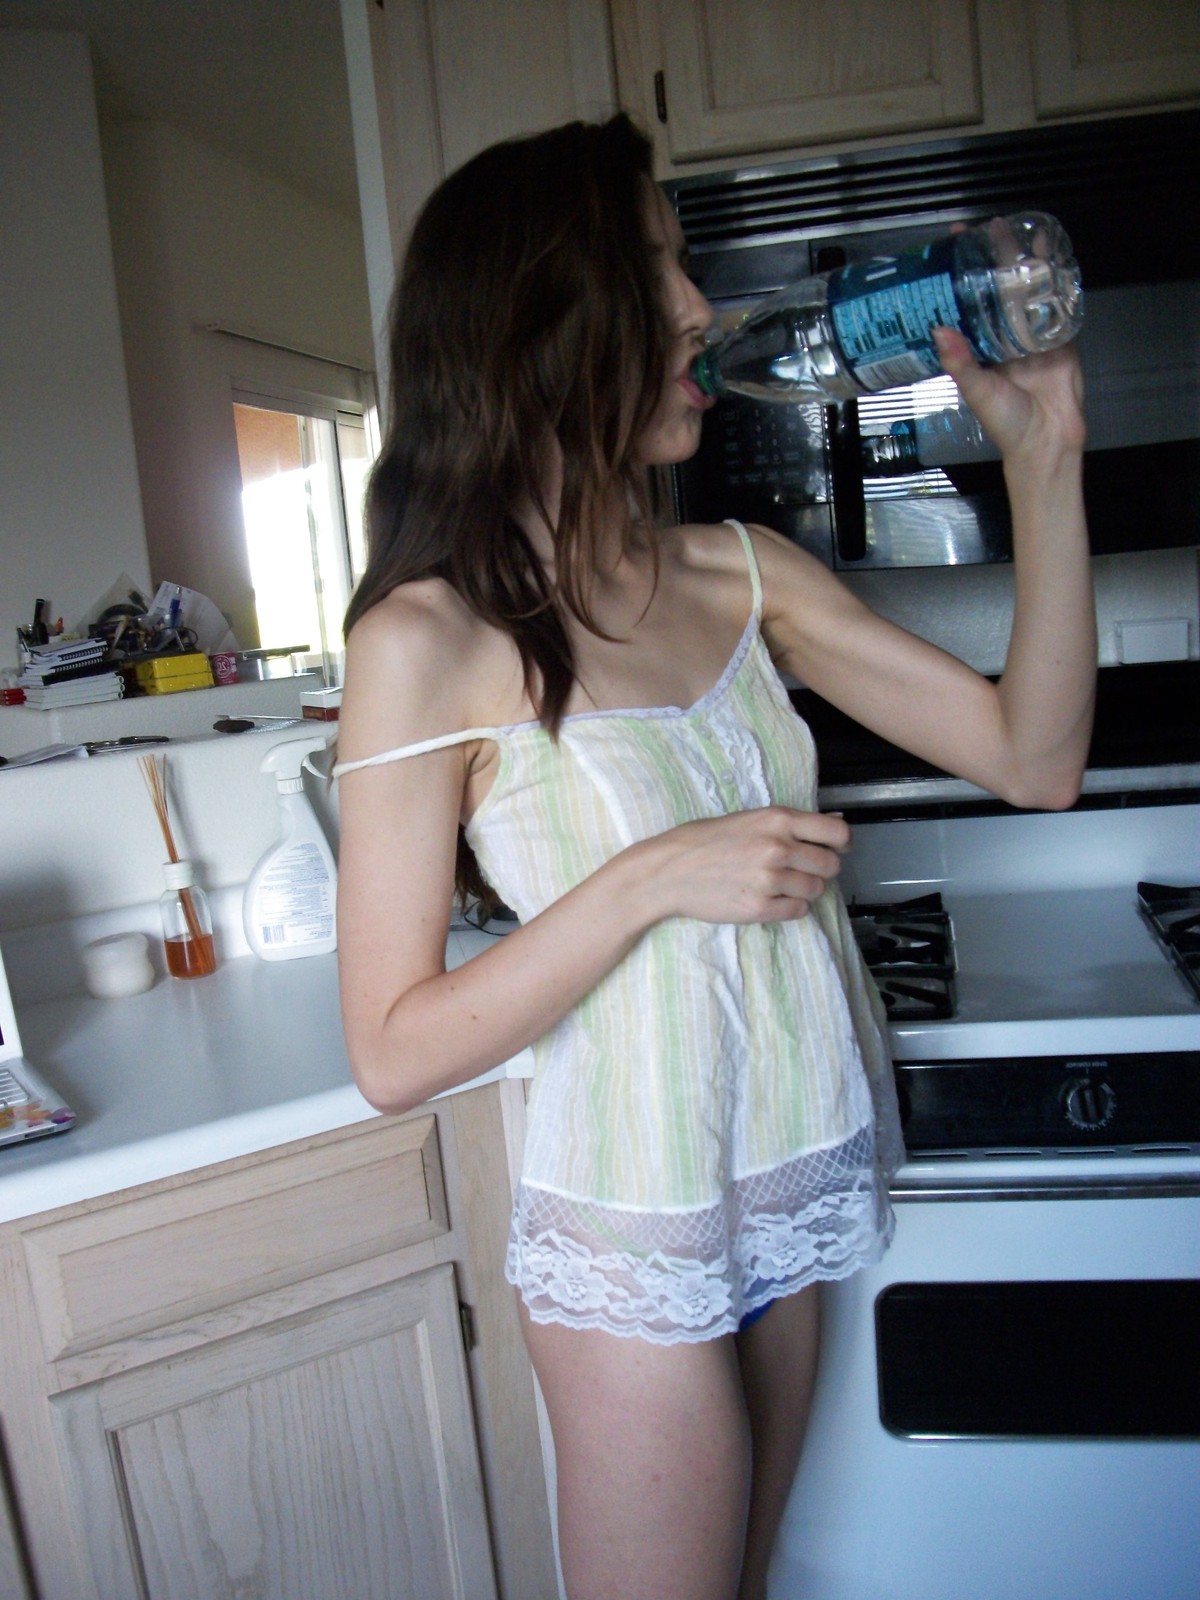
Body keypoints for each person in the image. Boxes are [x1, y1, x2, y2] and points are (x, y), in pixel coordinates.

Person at [333, 113, 1095, 1600]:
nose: (697, 308)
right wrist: (654, 875)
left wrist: (1047, 457)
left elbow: (1035, 758)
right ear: (542, 319)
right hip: (636, 1223)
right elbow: (391, 1048)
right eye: (657, 267)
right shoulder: (427, 638)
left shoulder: (742, 573)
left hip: (779, 1173)